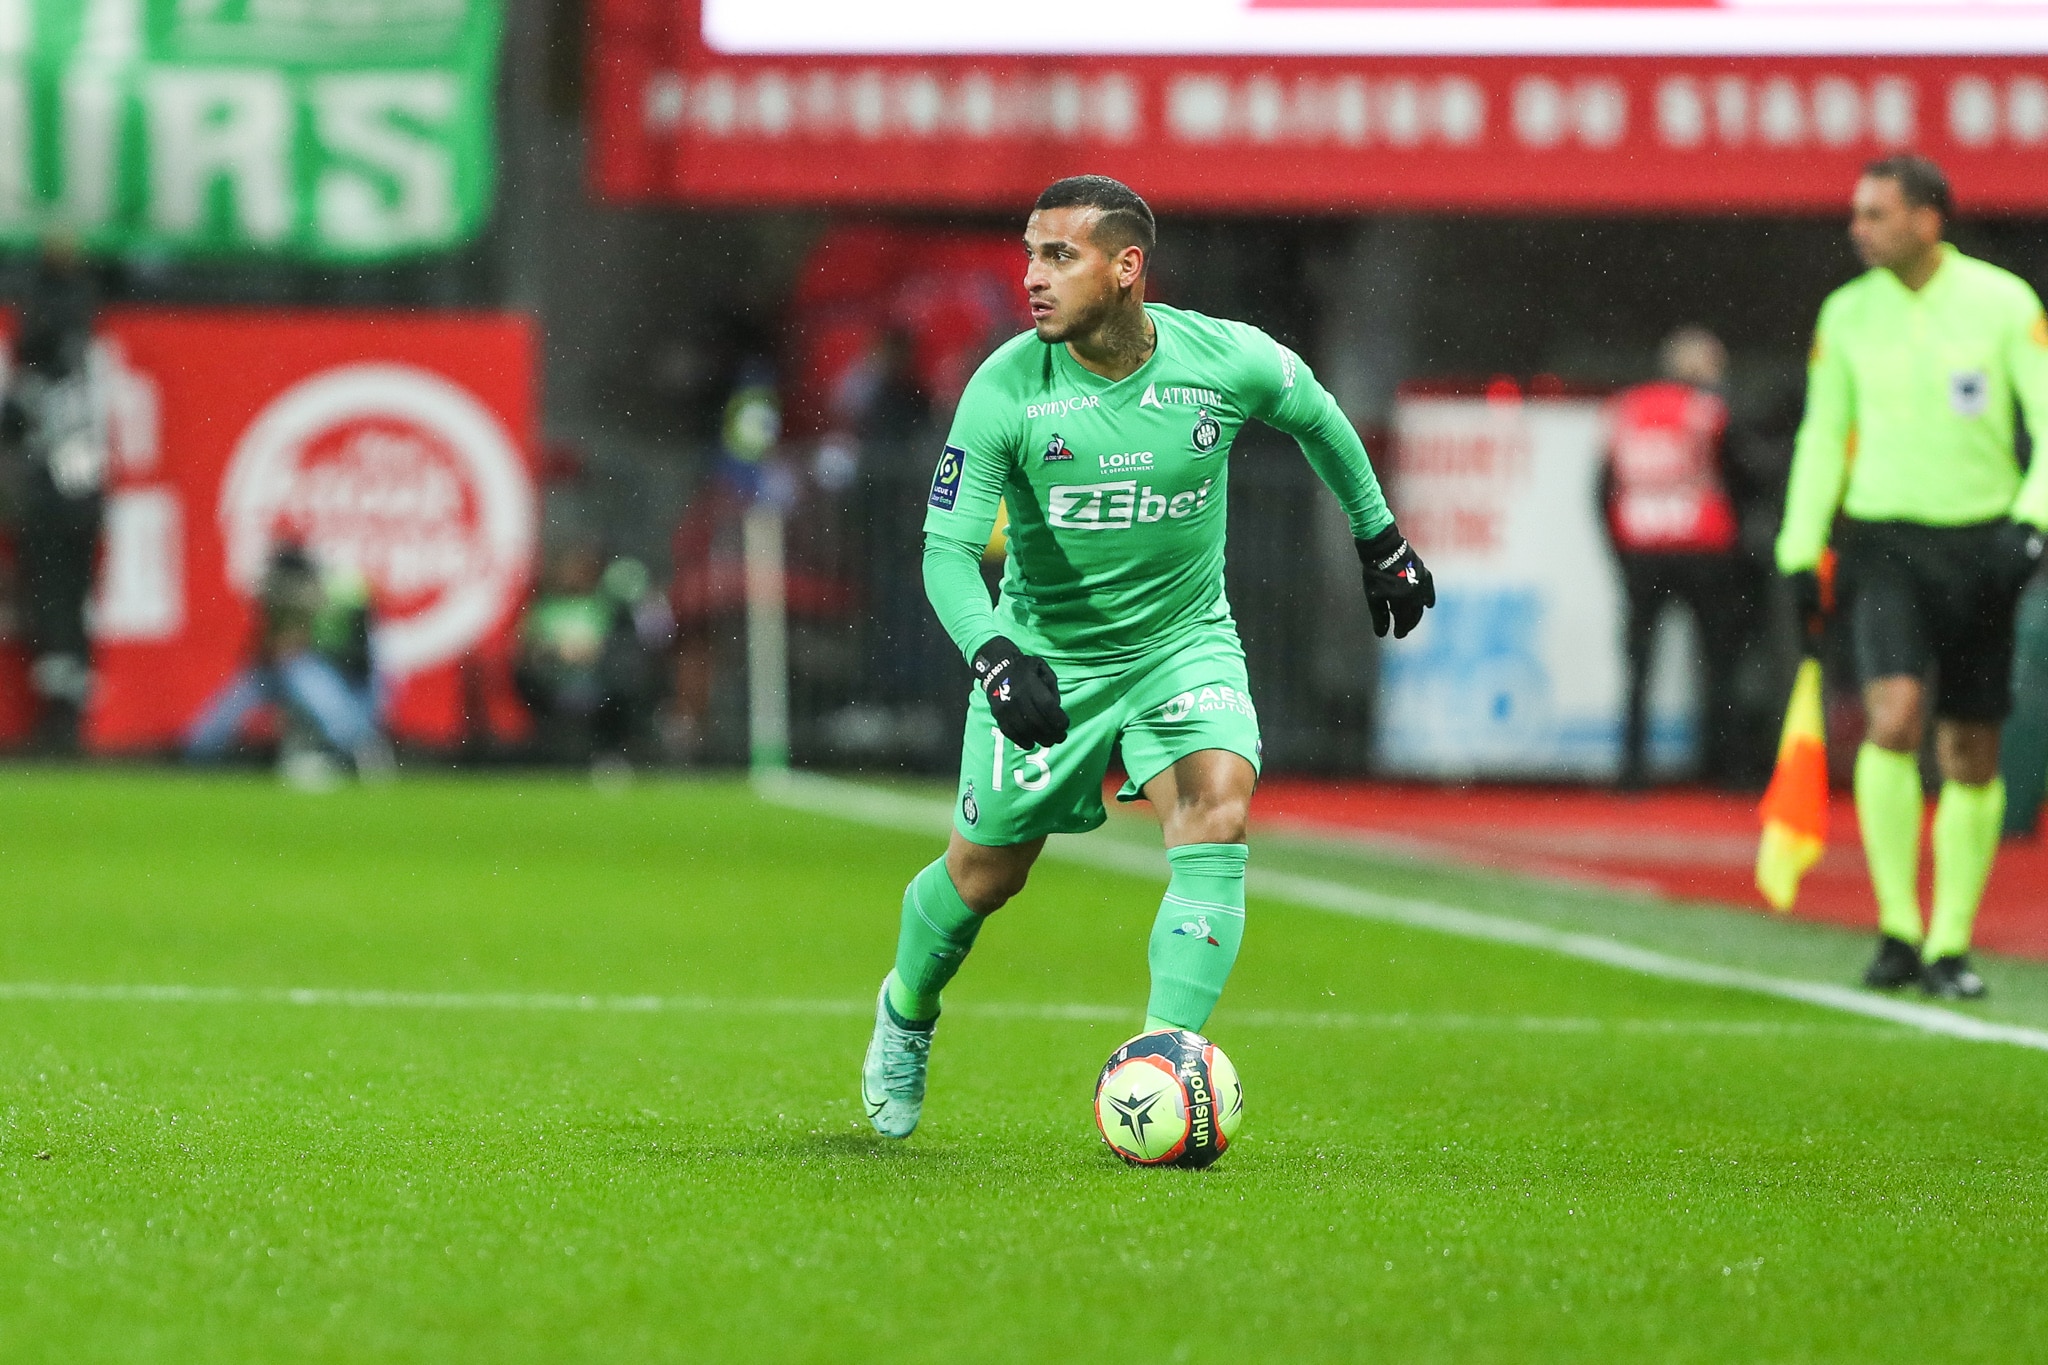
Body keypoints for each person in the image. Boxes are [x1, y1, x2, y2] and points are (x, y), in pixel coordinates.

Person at [859, 175, 1435, 1138]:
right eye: (1030, 255)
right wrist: (995, 654)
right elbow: (948, 552)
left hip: (1182, 641)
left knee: (1218, 806)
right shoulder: (1006, 388)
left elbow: (1322, 418)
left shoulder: (1223, 358)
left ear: (1127, 269)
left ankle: (1165, 1062)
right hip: (1047, 652)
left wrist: (1380, 537)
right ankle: (905, 1012)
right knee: (983, 876)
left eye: (1060, 256)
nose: (1033, 279)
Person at [1777, 154, 2048, 1000]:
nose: (1858, 230)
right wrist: (1798, 544)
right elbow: (1824, 435)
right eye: (1857, 213)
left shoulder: (2004, 304)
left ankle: (1949, 942)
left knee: (1969, 748)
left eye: (1876, 215)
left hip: (1982, 547)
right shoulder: (1846, 314)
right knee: (1892, 719)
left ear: (1929, 219)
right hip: (1884, 543)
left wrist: (2034, 523)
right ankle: (1897, 926)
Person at [1603, 326, 1752, 788]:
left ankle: (1631, 771)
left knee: (1639, 664)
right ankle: (1725, 768)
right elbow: (1741, 477)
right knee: (1720, 661)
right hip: (1704, 547)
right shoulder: (1709, 410)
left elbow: (1602, 489)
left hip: (1644, 548)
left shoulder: (1626, 408)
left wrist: (1621, 551)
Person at [4, 242, 106, 753]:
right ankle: (69, 714)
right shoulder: (92, 373)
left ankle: (59, 721)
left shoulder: (33, 385)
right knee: (72, 607)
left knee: (50, 609)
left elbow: (12, 430)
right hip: (85, 503)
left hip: (48, 504)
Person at [185, 544, 383, 772]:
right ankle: (196, 760)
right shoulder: (277, 598)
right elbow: (263, 652)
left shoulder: (337, 593)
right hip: (278, 674)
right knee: (206, 737)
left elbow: (358, 658)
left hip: (332, 677)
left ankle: (350, 750)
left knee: (338, 720)